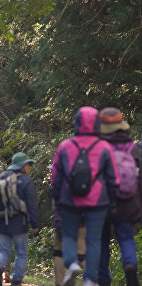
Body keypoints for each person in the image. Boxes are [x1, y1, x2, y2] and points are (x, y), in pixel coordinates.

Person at [51, 106, 119, 286]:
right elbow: (113, 178)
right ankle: (90, 279)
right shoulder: (104, 147)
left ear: (77, 123)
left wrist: (57, 199)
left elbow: (56, 177)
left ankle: (72, 263)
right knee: (94, 240)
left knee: (69, 235)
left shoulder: (65, 146)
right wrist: (112, 201)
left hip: (70, 199)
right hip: (97, 201)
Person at [96, 108, 141, 286]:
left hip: (103, 201)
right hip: (127, 202)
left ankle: (103, 278)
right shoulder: (133, 147)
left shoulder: (98, 147)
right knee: (127, 238)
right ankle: (130, 266)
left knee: (102, 241)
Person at [0, 153, 40, 286]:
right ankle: (17, 279)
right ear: (22, 166)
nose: (29, 168)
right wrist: (35, 225)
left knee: (4, 250)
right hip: (19, 222)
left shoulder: (1, 177)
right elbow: (31, 204)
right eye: (28, 165)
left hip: (2, 220)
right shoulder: (26, 181)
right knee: (21, 252)